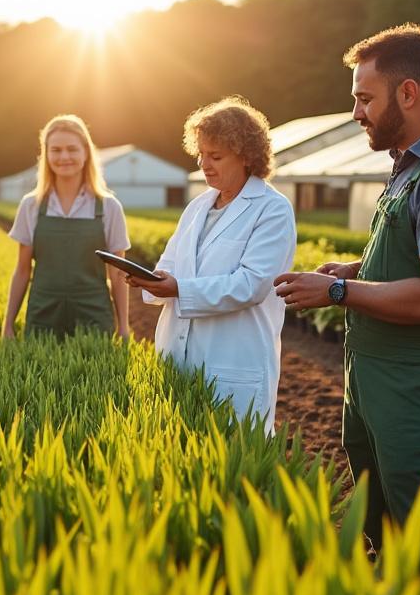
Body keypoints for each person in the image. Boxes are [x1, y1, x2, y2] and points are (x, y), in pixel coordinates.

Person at [274, 23, 420, 552]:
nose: (356, 113)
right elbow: (415, 255)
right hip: (379, 375)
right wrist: (356, 270)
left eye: (364, 98)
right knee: (381, 529)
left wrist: (336, 294)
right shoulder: (409, 167)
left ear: (408, 92)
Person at [125, 96, 296, 433]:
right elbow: (170, 264)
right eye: (201, 154)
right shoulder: (197, 207)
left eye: (215, 156)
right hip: (179, 353)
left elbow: (252, 285)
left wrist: (179, 288)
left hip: (235, 359)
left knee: (237, 459)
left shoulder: (272, 209)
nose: (204, 164)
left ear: (247, 156)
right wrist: (154, 280)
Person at [3, 115, 131, 339]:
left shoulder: (109, 207)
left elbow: (118, 274)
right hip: (43, 312)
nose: (64, 157)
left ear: (86, 153)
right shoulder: (31, 206)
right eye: (56, 150)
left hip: (94, 314)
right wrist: (8, 325)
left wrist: (123, 327)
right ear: (46, 155)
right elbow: (22, 270)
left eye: (72, 149)